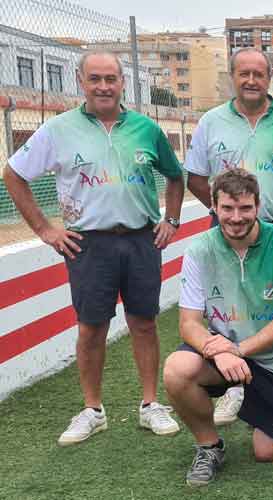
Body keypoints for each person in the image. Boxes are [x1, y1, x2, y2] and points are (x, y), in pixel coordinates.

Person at [3, 51, 184, 446]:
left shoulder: (146, 129)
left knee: (145, 323)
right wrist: (46, 230)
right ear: (80, 82)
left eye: (111, 79)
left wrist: (171, 220)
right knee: (91, 328)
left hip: (140, 240)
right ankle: (92, 410)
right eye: (95, 79)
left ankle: (150, 404)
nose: (104, 86)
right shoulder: (58, 129)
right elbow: (13, 174)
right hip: (88, 244)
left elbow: (175, 176)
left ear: (122, 83)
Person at [184, 47, 273, 426]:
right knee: (229, 309)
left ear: (269, 78)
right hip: (228, 231)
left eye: (259, 73)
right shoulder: (211, 121)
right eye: (244, 73)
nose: (251, 80)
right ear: (232, 77)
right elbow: (195, 176)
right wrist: (224, 211)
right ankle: (234, 386)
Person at [162, 168, 273, 487]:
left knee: (266, 452)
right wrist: (218, 353)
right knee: (177, 369)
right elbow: (189, 323)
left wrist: (236, 351)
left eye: (245, 208)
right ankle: (209, 446)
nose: (236, 217)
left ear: (258, 206)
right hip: (226, 356)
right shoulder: (200, 249)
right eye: (227, 208)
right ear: (214, 207)